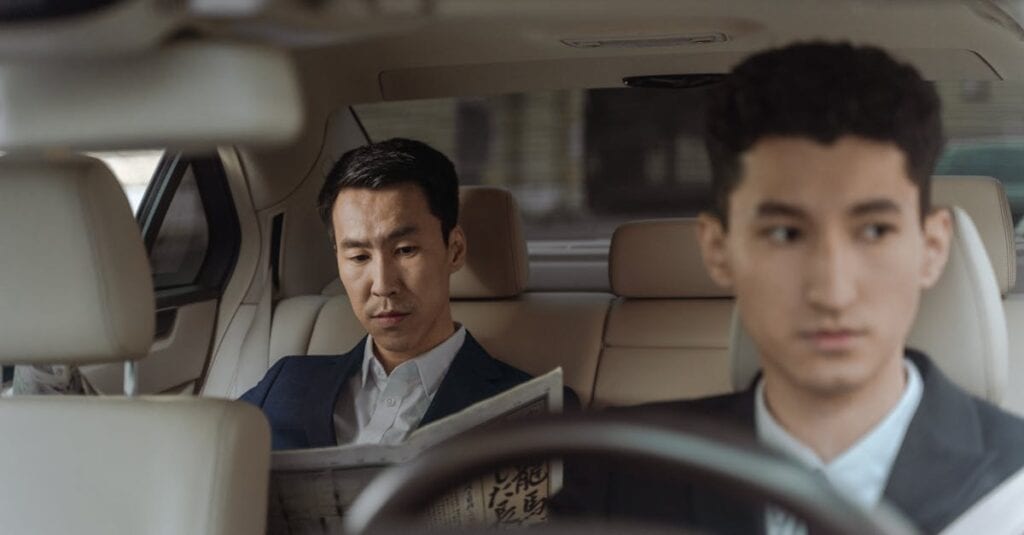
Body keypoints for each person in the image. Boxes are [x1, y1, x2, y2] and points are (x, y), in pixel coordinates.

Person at [554, 42, 1024, 533]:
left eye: (875, 231)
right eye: (784, 234)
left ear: (931, 248)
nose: (832, 292)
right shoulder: (623, 475)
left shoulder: (1014, 490)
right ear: (719, 250)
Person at [241, 138, 555, 450]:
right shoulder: (284, 384)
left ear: (455, 250)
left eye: (405, 250)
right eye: (359, 257)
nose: (382, 285)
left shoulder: (533, 411)